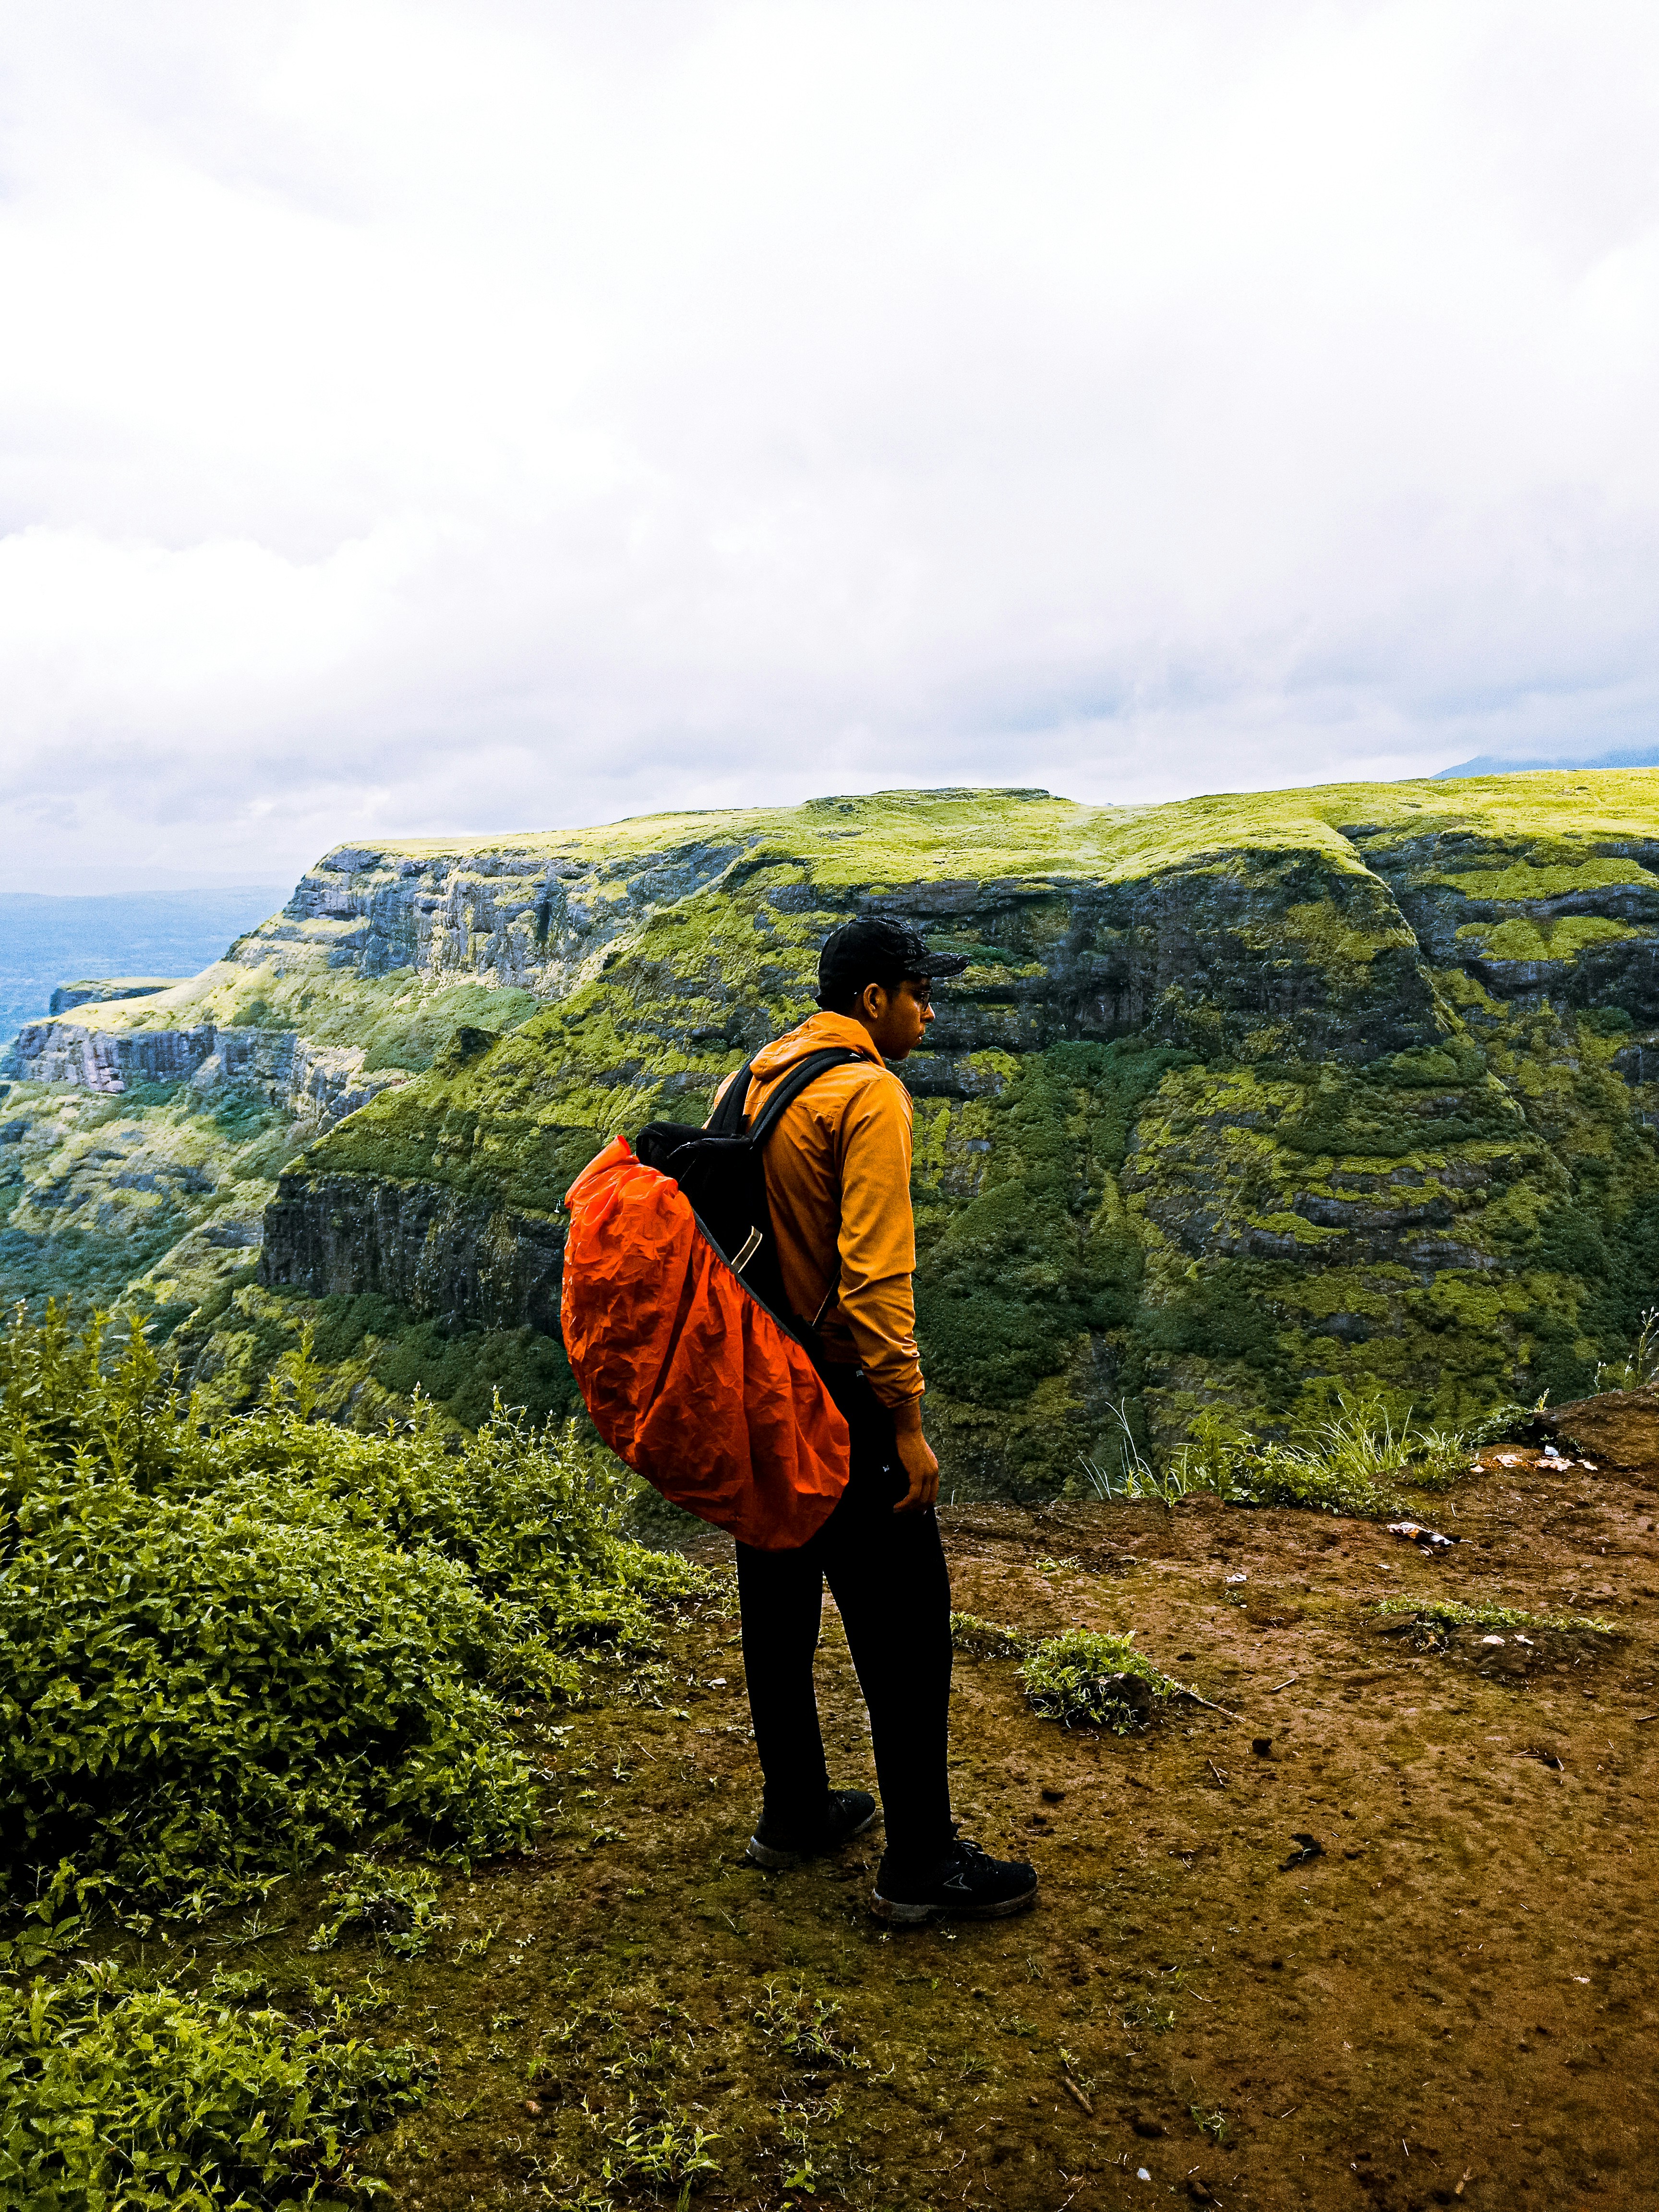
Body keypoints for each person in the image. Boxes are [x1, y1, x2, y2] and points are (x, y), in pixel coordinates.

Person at [720, 916, 1038, 1923]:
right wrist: (905, 1424)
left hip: (756, 1388)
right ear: (873, 1000)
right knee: (908, 1627)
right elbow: (875, 1279)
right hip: (838, 1402)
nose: (930, 1010)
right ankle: (921, 1865)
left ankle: (796, 1810)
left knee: (777, 1599)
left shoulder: (757, 1075)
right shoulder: (869, 1093)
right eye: (918, 992)